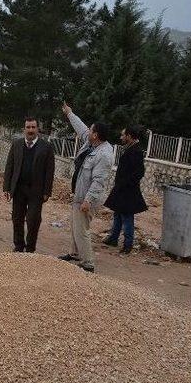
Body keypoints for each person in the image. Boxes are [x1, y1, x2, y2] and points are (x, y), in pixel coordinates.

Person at [58, 102, 113, 273]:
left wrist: (88, 200)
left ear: (95, 135)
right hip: (79, 194)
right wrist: (69, 114)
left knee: (82, 229)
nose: (87, 131)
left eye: (91, 130)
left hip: (87, 198)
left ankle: (88, 262)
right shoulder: (91, 144)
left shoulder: (104, 154)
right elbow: (80, 129)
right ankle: (75, 253)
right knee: (76, 225)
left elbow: (99, 181)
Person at [3, 117, 55, 253]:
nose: (30, 130)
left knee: (33, 220)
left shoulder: (46, 147)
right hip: (19, 188)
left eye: (33, 127)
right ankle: (19, 246)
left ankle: (30, 248)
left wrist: (47, 192)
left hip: (36, 191)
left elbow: (50, 171)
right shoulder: (16, 144)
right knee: (17, 218)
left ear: (38, 129)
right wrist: (7, 187)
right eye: (28, 127)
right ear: (24, 129)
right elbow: (9, 166)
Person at [102, 125, 148, 254]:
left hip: (128, 190)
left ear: (129, 136)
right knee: (117, 213)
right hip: (122, 188)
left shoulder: (136, 151)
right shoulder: (130, 149)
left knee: (127, 217)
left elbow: (139, 173)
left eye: (123, 135)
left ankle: (128, 244)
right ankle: (113, 238)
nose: (121, 137)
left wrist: (125, 184)